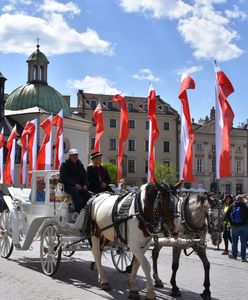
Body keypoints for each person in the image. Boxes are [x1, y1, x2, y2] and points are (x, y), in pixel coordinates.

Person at [60, 148, 91, 213]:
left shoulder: (80, 165)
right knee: (75, 193)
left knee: (88, 195)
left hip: (79, 185)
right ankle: (79, 212)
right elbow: (64, 177)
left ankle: (86, 211)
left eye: (76, 155)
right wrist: (74, 184)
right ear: (70, 156)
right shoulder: (65, 164)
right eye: (73, 155)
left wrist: (85, 184)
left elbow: (85, 175)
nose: (75, 157)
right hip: (68, 185)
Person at [224, 194, 248, 262]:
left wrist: (230, 223)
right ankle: (243, 258)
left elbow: (226, 216)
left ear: (236, 199)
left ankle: (234, 256)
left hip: (234, 226)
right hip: (244, 226)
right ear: (242, 199)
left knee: (234, 242)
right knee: (243, 242)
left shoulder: (232, 205)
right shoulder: (245, 205)